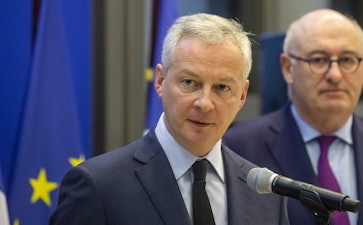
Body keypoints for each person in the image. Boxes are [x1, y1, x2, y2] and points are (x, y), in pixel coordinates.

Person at [49, 13, 289, 225]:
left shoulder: (266, 193)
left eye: (222, 87)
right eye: (189, 83)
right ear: (160, 81)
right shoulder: (98, 186)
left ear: (242, 96)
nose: (204, 103)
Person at [223, 9, 363, 225]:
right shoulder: (239, 148)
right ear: (288, 68)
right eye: (318, 60)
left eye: (347, 60)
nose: (335, 75)